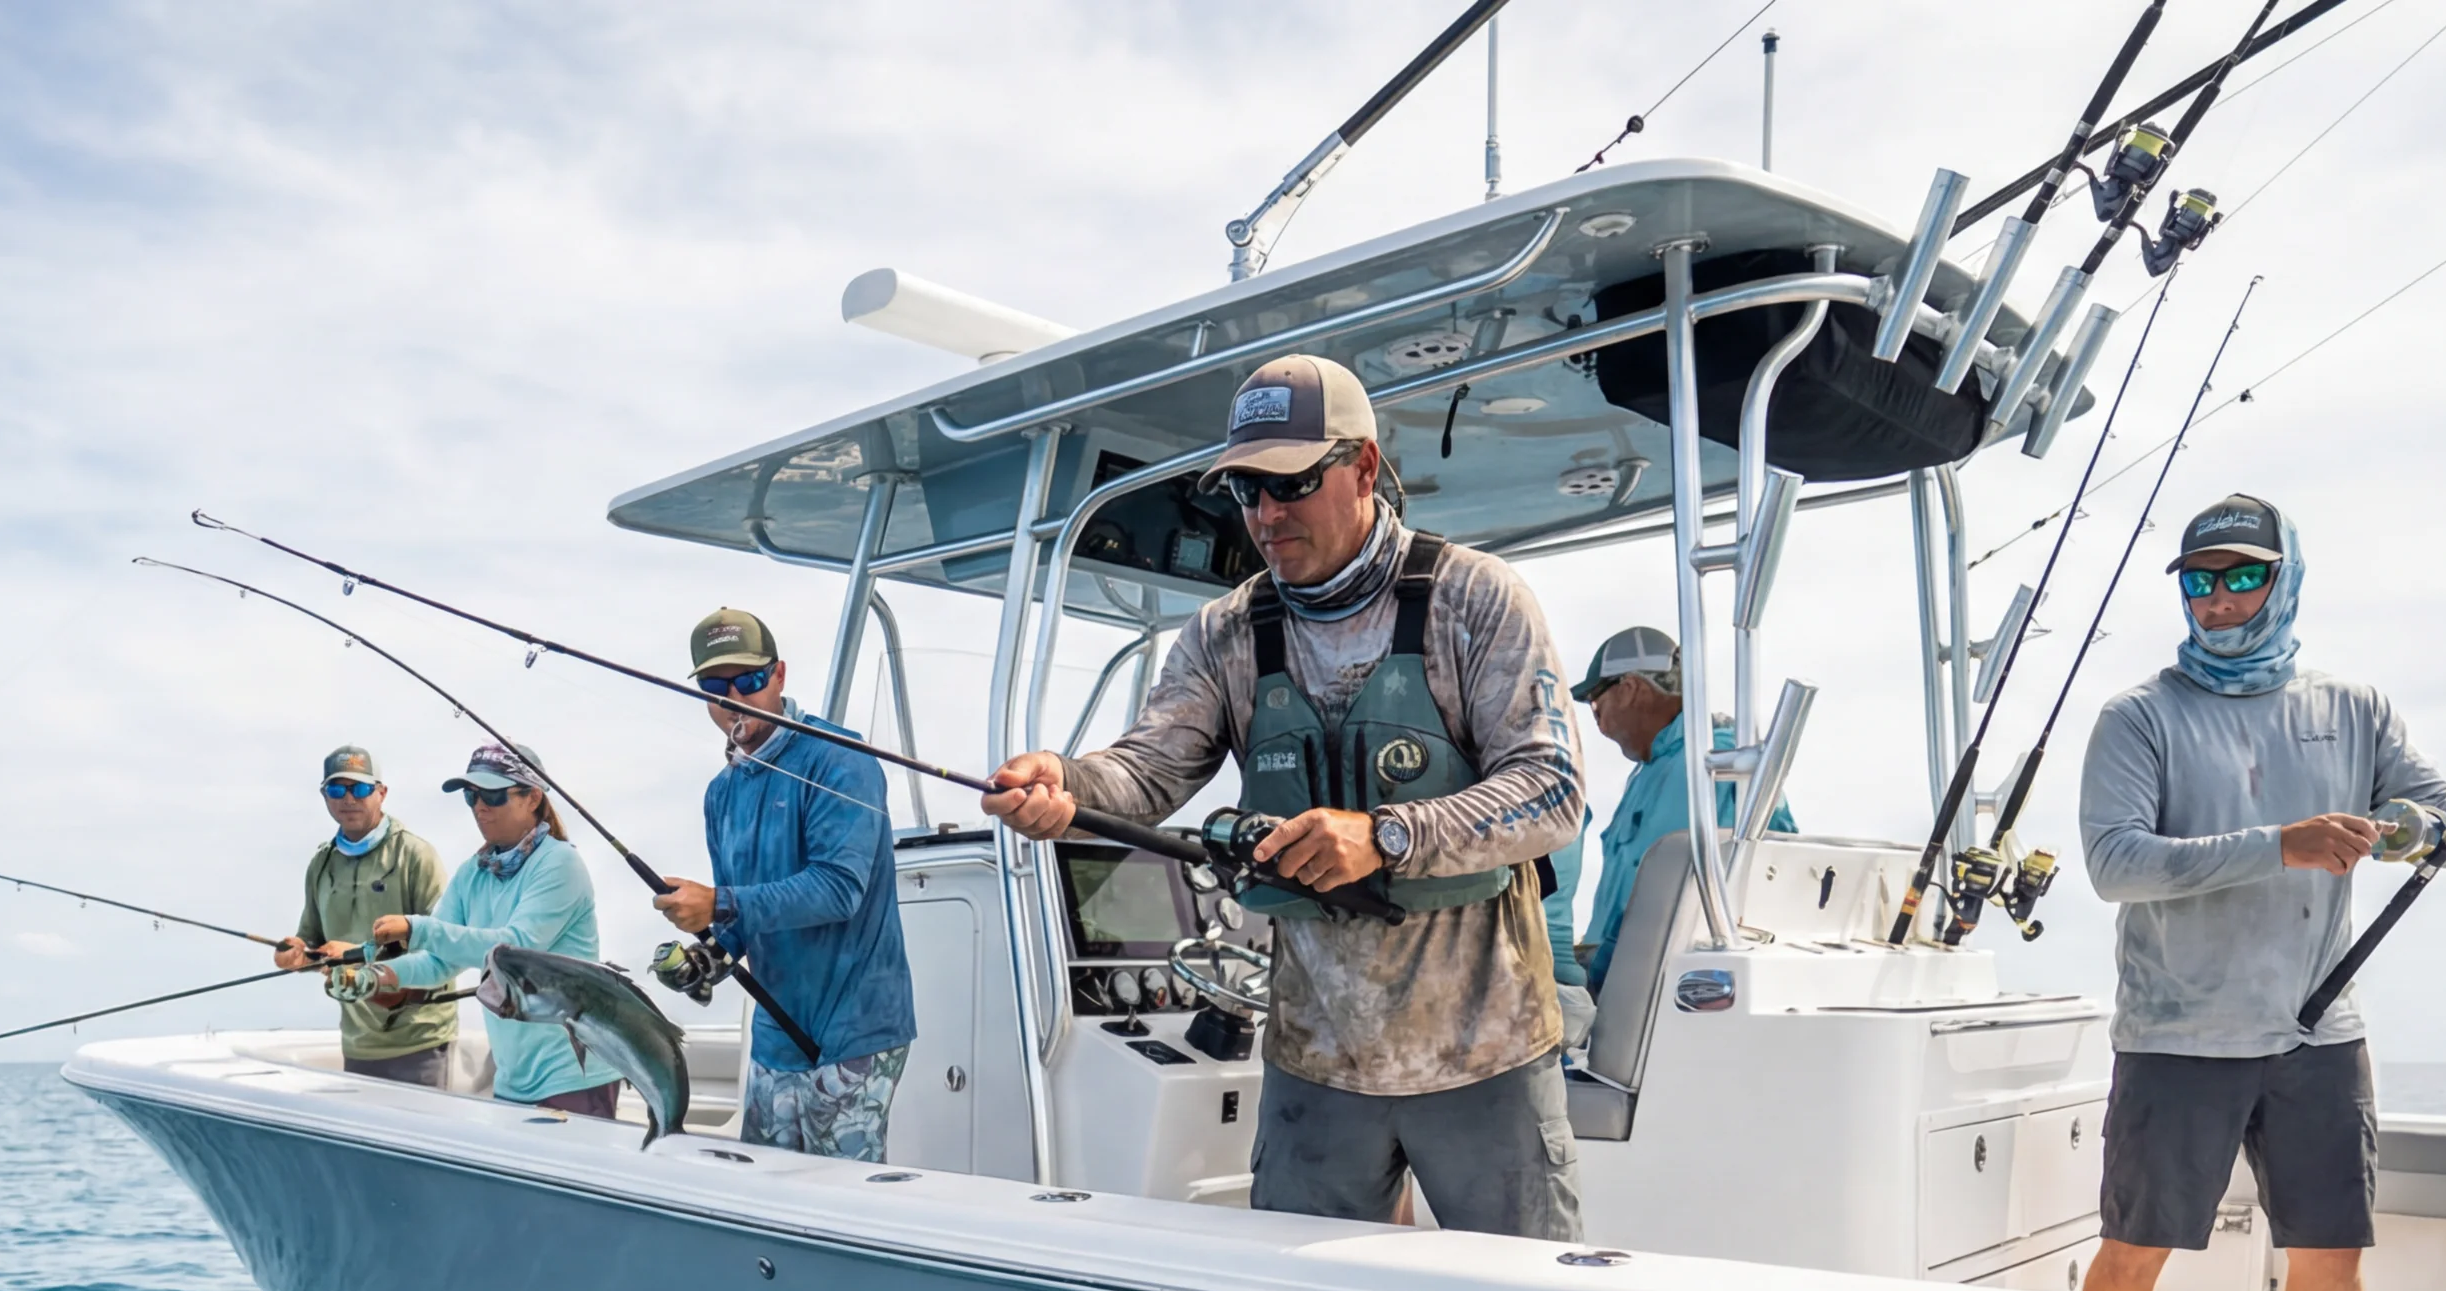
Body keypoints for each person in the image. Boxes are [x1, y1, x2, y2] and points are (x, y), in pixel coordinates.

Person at [981, 353, 1588, 1238]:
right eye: (1245, 493)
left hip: (1487, 1053)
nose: (1267, 514)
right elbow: (1148, 772)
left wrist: (1385, 836)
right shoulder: (1223, 633)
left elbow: (1554, 792)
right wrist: (1065, 783)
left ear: (1366, 469)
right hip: (1317, 1062)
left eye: (1293, 483)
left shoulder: (1477, 599)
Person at [2073, 493, 2446, 1291]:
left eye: (2243, 576)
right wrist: (2282, 844)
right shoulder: (2139, 718)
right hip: (2178, 1034)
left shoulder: (2355, 709)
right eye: (2199, 582)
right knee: (2134, 1252)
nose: (2219, 598)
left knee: (2331, 1255)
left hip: (2319, 1036)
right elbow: (2115, 864)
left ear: (2286, 582)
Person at [653, 608, 916, 1160]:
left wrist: (717, 902)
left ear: (779, 676)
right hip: (776, 1040)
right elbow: (738, 925)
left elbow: (838, 890)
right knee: (765, 1196)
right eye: (714, 685)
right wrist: (708, 956)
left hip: (853, 1035)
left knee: (837, 1211)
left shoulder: (842, 759)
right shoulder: (720, 794)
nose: (734, 698)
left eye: (748, 681)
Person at [360, 745, 620, 1118]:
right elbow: (437, 963)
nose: (480, 806)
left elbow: (516, 950)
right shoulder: (474, 872)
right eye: (472, 796)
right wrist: (375, 974)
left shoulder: (560, 863)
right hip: (512, 1081)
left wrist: (417, 928)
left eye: (493, 795)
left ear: (533, 797)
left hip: (575, 1078)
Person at [1564, 625, 1797, 996]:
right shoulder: (1655, 768)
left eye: (1595, 698)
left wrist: (1591, 978)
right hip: (1637, 982)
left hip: (1662, 992)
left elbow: (1661, 899)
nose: (1594, 714)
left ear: (1630, 689)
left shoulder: (1699, 764)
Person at [274, 746, 453, 1083]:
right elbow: (313, 939)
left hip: (420, 1039)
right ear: (325, 796)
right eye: (337, 790)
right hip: (357, 1042)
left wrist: (358, 955)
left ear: (381, 793)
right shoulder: (321, 863)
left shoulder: (416, 855)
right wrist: (296, 953)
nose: (348, 799)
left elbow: (445, 948)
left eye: (360, 789)